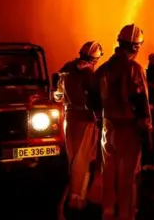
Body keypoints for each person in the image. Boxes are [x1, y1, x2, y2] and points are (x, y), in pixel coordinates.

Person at [89, 24, 151, 220]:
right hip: (129, 130)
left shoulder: (103, 69)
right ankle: (126, 215)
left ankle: (107, 211)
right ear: (134, 47)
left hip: (108, 127)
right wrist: (147, 131)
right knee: (128, 177)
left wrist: (99, 119)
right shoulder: (135, 69)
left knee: (108, 171)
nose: (139, 49)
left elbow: (92, 96)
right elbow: (141, 101)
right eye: (138, 46)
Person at [57, 41, 104, 210]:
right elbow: (96, 97)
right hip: (85, 119)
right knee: (83, 159)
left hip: (68, 117)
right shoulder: (89, 73)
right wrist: (99, 117)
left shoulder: (66, 69)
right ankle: (77, 198)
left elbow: (57, 93)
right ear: (95, 58)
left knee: (72, 156)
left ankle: (73, 194)